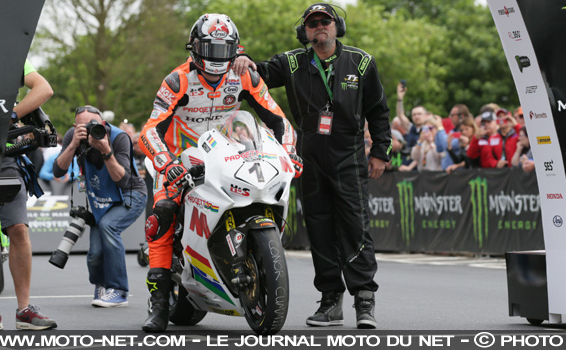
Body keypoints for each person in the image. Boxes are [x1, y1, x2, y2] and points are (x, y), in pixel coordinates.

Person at [138, 13, 300, 333]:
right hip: (182, 158)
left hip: (229, 153)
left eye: (224, 51)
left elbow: (279, 121)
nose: (216, 58)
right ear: (195, 48)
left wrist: (290, 152)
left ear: (236, 51)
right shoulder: (177, 80)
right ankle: (158, 305)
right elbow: (149, 129)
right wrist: (165, 161)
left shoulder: (245, 77)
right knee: (163, 215)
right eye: (210, 50)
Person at [233, 2, 391, 329]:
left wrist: (380, 151)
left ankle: (364, 299)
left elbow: (378, 111)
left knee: (355, 225)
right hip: (307, 151)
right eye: (313, 23)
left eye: (325, 21)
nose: (320, 26)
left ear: (337, 26)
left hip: (348, 151)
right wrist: (243, 59)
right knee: (318, 228)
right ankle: (330, 300)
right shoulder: (292, 62)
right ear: (304, 30)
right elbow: (256, 74)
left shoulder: (361, 63)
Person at [53, 106, 147, 308]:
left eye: (94, 124)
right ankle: (102, 284)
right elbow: (58, 171)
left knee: (108, 226)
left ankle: (119, 291)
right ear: (75, 126)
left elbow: (122, 181)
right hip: (102, 197)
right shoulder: (73, 136)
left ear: (103, 123)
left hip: (131, 194)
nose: (89, 129)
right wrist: (73, 145)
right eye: (83, 126)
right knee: (95, 253)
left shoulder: (118, 137)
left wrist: (106, 150)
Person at [0, 60, 57, 331]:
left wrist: (11, 114)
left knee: (18, 228)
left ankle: (24, 310)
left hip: (4, 151)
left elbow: (44, 89)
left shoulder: (9, 51)